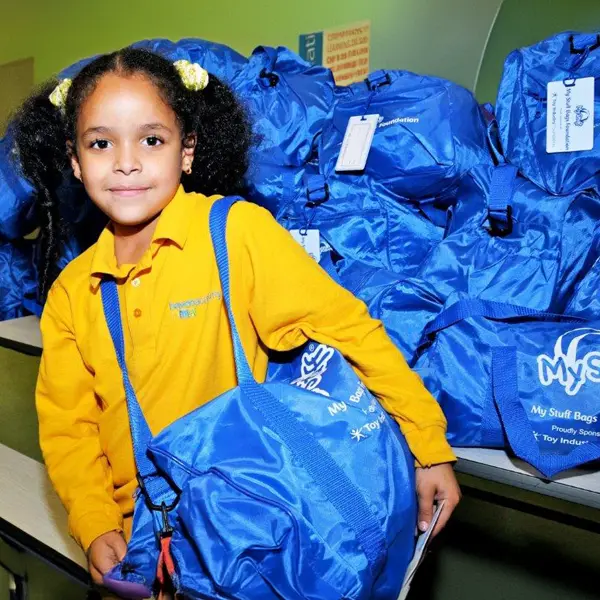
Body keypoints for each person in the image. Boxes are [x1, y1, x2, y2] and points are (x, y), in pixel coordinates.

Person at [13, 46, 460, 596]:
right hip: (144, 549)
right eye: (101, 143)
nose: (125, 161)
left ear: (187, 151)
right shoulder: (71, 293)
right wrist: (95, 523)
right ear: (76, 160)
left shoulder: (236, 235)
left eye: (151, 140)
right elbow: (68, 428)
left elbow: (352, 330)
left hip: (254, 533)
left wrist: (430, 445)